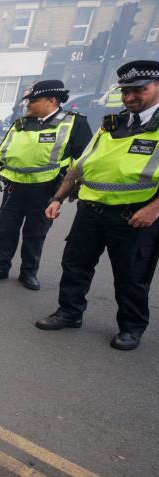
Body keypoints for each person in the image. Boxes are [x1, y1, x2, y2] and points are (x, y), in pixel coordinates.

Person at [37, 60, 159, 351]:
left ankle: (131, 327)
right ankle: (70, 312)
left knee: (131, 275)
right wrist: (57, 198)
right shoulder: (111, 124)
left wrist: (154, 208)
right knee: (75, 264)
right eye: (126, 91)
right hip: (91, 211)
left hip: (135, 214)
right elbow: (80, 166)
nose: (130, 97)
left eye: (139, 90)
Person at [0, 80, 92, 290]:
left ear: (51, 100)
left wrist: (72, 191)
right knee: (6, 229)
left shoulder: (75, 123)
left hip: (47, 190)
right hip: (14, 188)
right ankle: (0, 266)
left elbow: (84, 161)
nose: (28, 105)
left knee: (35, 232)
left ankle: (28, 272)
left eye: (34, 100)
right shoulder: (21, 124)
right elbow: (0, 154)